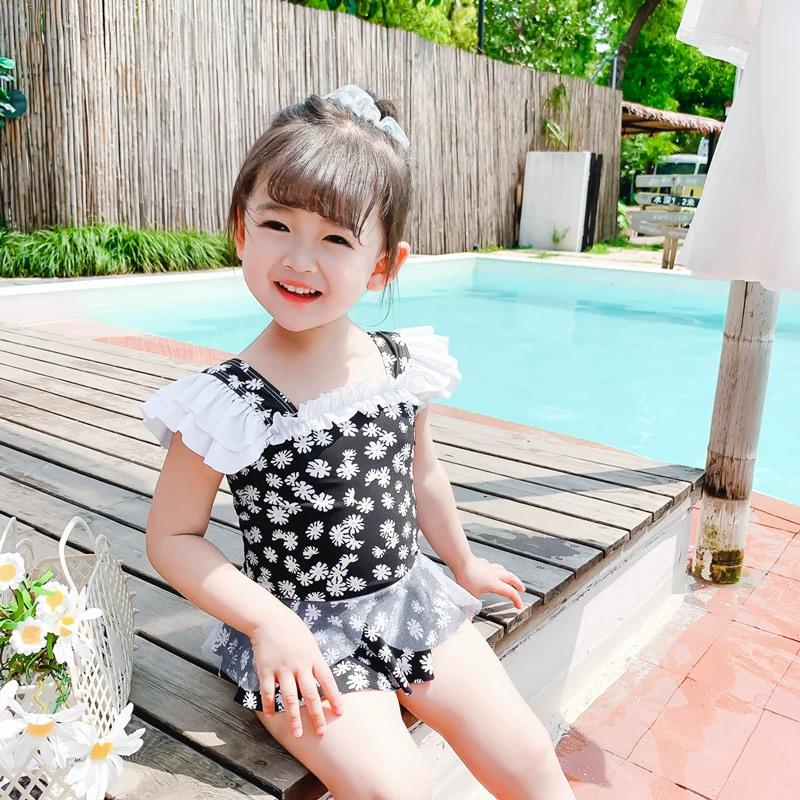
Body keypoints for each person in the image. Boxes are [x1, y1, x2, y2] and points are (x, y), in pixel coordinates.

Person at [142, 85, 574, 800]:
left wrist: (463, 562)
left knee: (528, 753)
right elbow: (172, 537)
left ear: (383, 265)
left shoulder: (400, 365)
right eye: (277, 224)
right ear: (241, 229)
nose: (300, 259)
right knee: (391, 790)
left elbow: (422, 474)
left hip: (410, 595)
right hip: (301, 629)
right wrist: (266, 623)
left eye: (337, 239)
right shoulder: (226, 400)